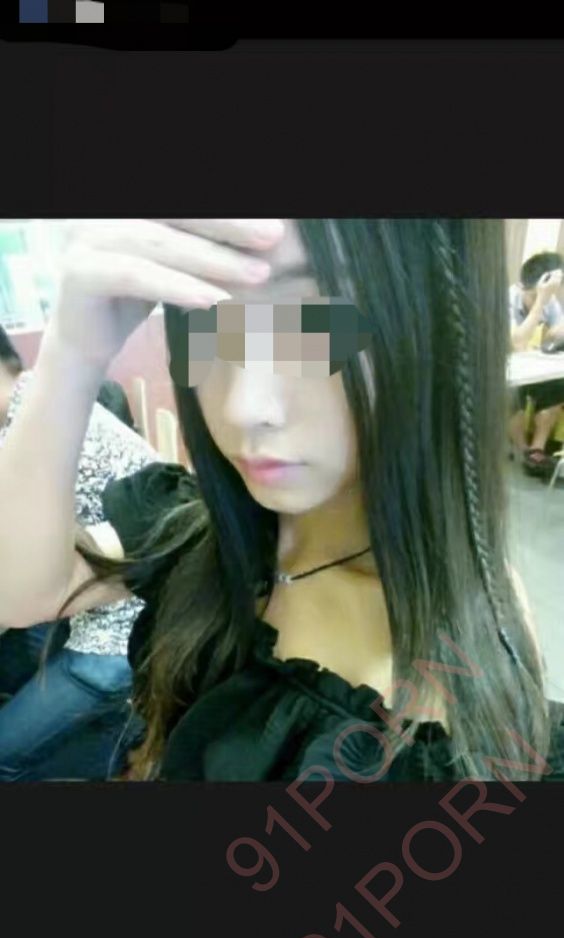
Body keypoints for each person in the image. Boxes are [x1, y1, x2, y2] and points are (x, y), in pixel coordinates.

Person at [0, 218, 562, 784]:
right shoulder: (199, 533)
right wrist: (71, 353)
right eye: (208, 328)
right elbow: (18, 593)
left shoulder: (450, 674)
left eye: (313, 327)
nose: (244, 405)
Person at [0, 324, 159, 780]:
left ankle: (123, 736)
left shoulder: (36, 435)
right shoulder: (34, 406)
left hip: (124, 636)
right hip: (97, 604)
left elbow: (18, 590)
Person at [508, 252, 564, 476]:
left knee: (556, 386)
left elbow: (552, 335)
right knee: (511, 393)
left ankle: (536, 450)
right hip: (500, 370)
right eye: (533, 296)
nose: (544, 301)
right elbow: (517, 342)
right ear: (521, 286)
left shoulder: (549, 300)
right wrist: (540, 300)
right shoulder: (507, 299)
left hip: (527, 367)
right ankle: (522, 450)